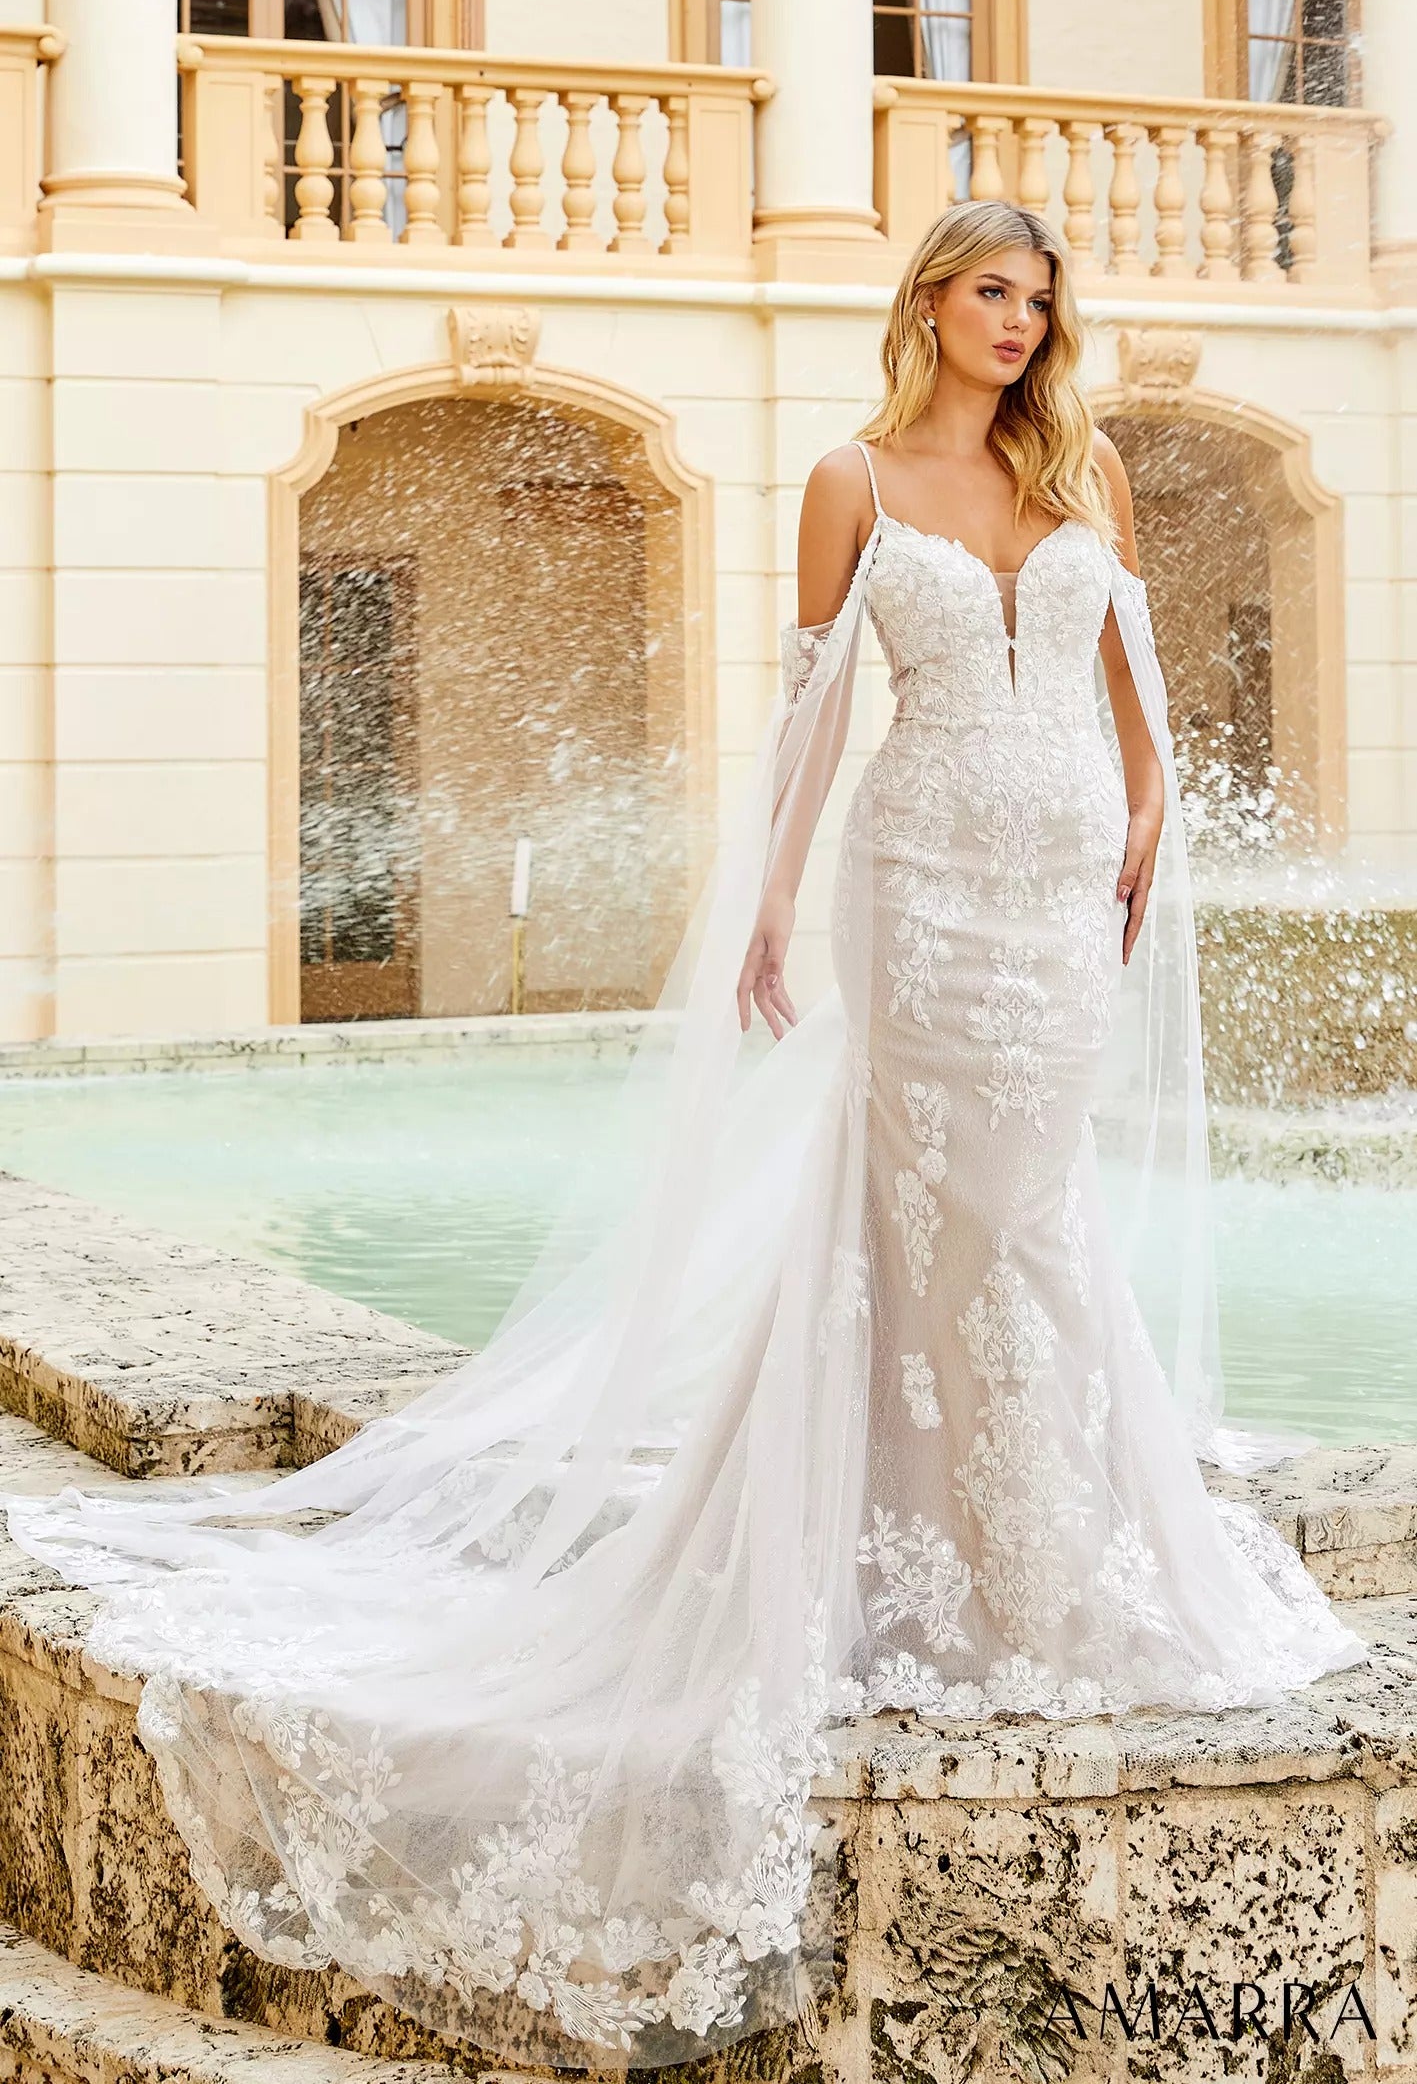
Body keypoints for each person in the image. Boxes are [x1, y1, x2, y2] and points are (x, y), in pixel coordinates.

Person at [5, 202, 1370, 2074]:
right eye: (989, 292)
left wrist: (1150, 814)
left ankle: (1041, 1547)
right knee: (959, 1212)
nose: (1016, 322)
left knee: (1033, 1207)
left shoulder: (1089, 464)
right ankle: (976, 1556)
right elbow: (813, 719)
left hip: (1060, 884)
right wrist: (763, 905)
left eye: (1036, 300)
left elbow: (1127, 669)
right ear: (927, 306)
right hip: (922, 881)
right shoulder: (845, 478)